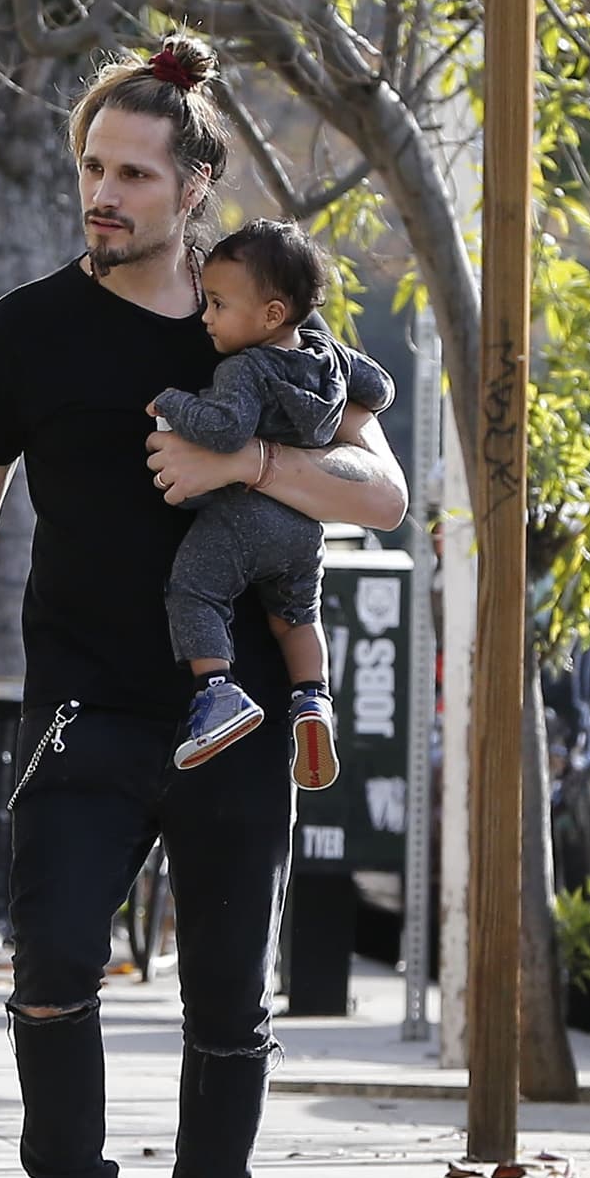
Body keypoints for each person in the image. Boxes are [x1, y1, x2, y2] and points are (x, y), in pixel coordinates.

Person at [0, 35, 407, 1178]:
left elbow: (386, 498)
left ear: (198, 184)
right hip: (87, 704)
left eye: (135, 171)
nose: (105, 192)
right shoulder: (30, 328)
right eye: (92, 166)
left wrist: (242, 458)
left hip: (236, 713)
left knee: (228, 1005)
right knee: (50, 965)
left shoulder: (273, 328)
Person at [150, 218, 395, 787]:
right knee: (297, 619)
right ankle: (312, 701)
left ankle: (216, 693)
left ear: (271, 315)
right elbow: (381, 389)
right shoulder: (327, 354)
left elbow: (227, 430)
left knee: (194, 591)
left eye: (217, 304)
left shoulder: (244, 367)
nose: (206, 317)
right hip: (305, 528)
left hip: (243, 517)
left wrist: (176, 403)